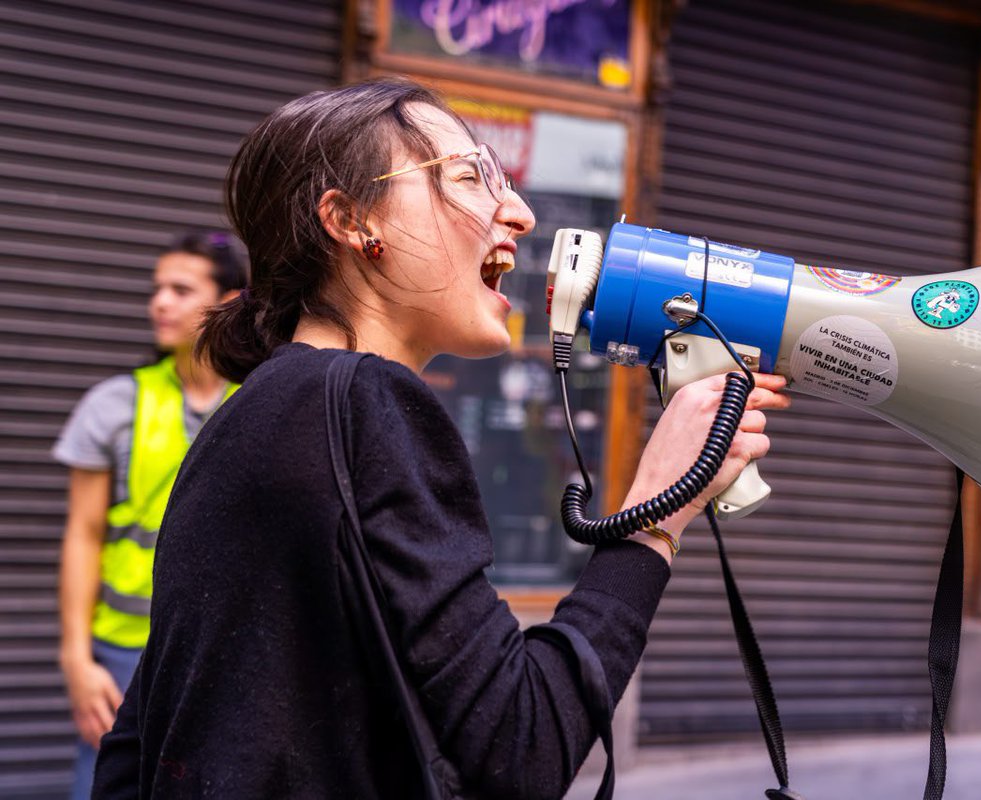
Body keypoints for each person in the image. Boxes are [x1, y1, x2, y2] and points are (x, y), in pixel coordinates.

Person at [91, 77, 789, 799]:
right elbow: (524, 745)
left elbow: (137, 750)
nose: (517, 212)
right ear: (352, 219)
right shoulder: (365, 400)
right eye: (467, 177)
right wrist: (658, 509)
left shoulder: (248, 413)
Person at [54, 231, 247, 799]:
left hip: (223, 653)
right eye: (157, 288)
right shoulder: (114, 404)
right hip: (122, 655)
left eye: (181, 290)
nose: (159, 302)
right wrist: (76, 658)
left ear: (229, 302)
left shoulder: (264, 398)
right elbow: (83, 534)